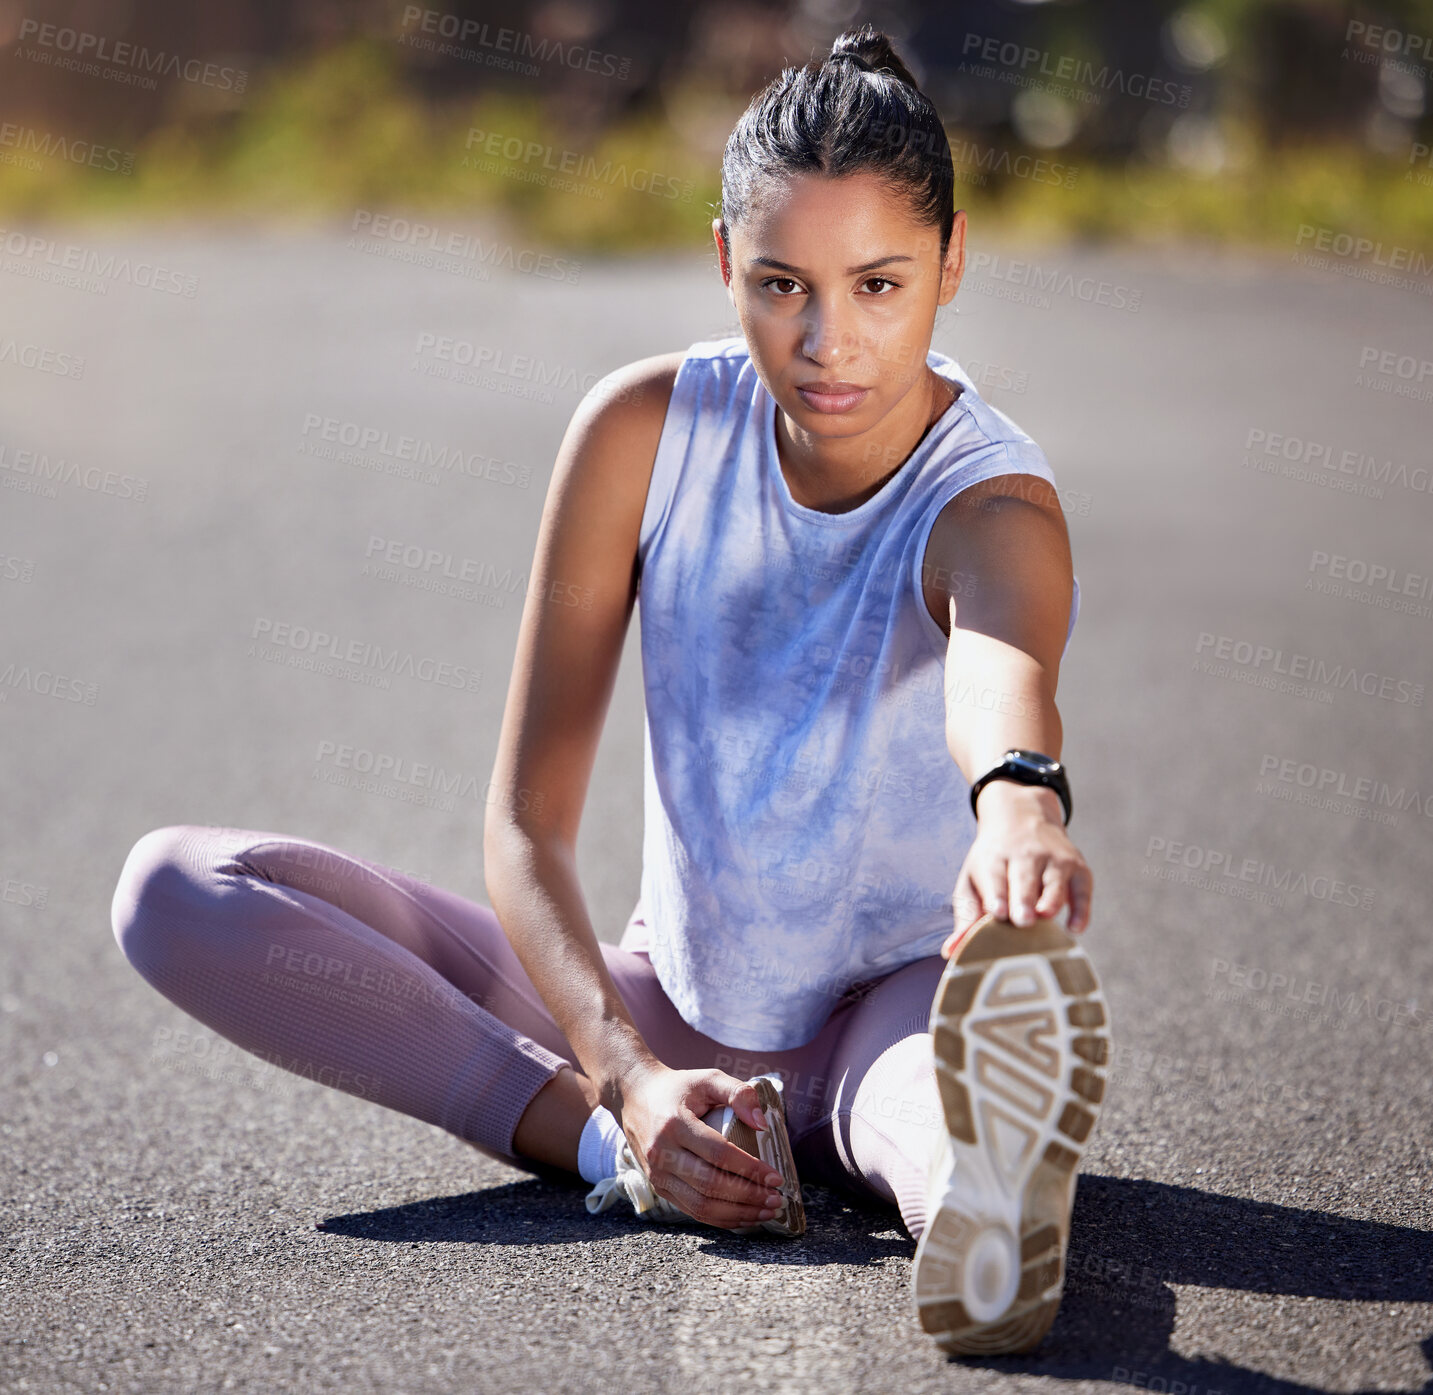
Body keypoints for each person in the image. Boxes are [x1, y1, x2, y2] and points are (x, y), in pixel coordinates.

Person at [109, 23, 1109, 1357]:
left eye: (878, 285)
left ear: (951, 262)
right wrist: (626, 1090)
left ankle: (981, 1203)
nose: (827, 342)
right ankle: (634, 1156)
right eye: (780, 285)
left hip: (896, 1006)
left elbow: (998, 673)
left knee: (927, 1119)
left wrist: (1020, 809)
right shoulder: (643, 434)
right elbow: (527, 828)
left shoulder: (989, 500)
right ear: (720, 265)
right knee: (177, 894)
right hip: (669, 1002)